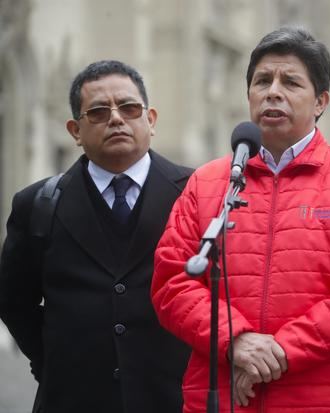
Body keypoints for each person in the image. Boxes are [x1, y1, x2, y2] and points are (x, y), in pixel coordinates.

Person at [151, 27, 330, 413]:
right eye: (262, 81)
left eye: (291, 82)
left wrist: (279, 351)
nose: (273, 91)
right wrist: (235, 340)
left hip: (326, 400)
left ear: (320, 101)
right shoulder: (207, 183)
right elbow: (172, 282)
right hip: (223, 398)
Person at [0, 60, 192, 413]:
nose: (116, 118)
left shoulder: (197, 194)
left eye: (129, 108)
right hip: (71, 398)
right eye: (99, 111)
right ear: (75, 130)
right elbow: (13, 301)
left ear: (150, 119)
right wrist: (54, 360)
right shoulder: (37, 204)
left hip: (174, 399)